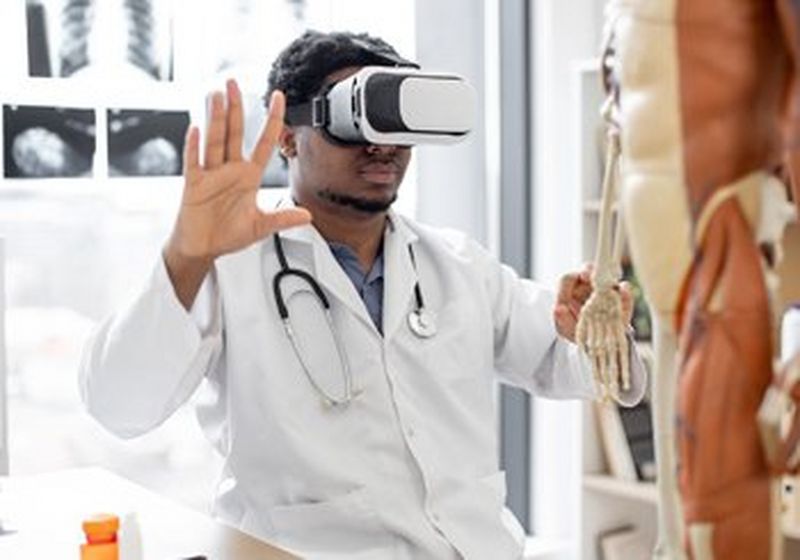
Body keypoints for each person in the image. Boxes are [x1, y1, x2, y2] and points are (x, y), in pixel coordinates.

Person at [79, 30, 646, 559]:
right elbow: (120, 406)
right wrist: (186, 253)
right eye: (353, 119)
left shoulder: (457, 265)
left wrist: (591, 333)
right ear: (286, 139)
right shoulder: (224, 271)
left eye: (394, 119)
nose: (381, 144)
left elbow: (574, 366)